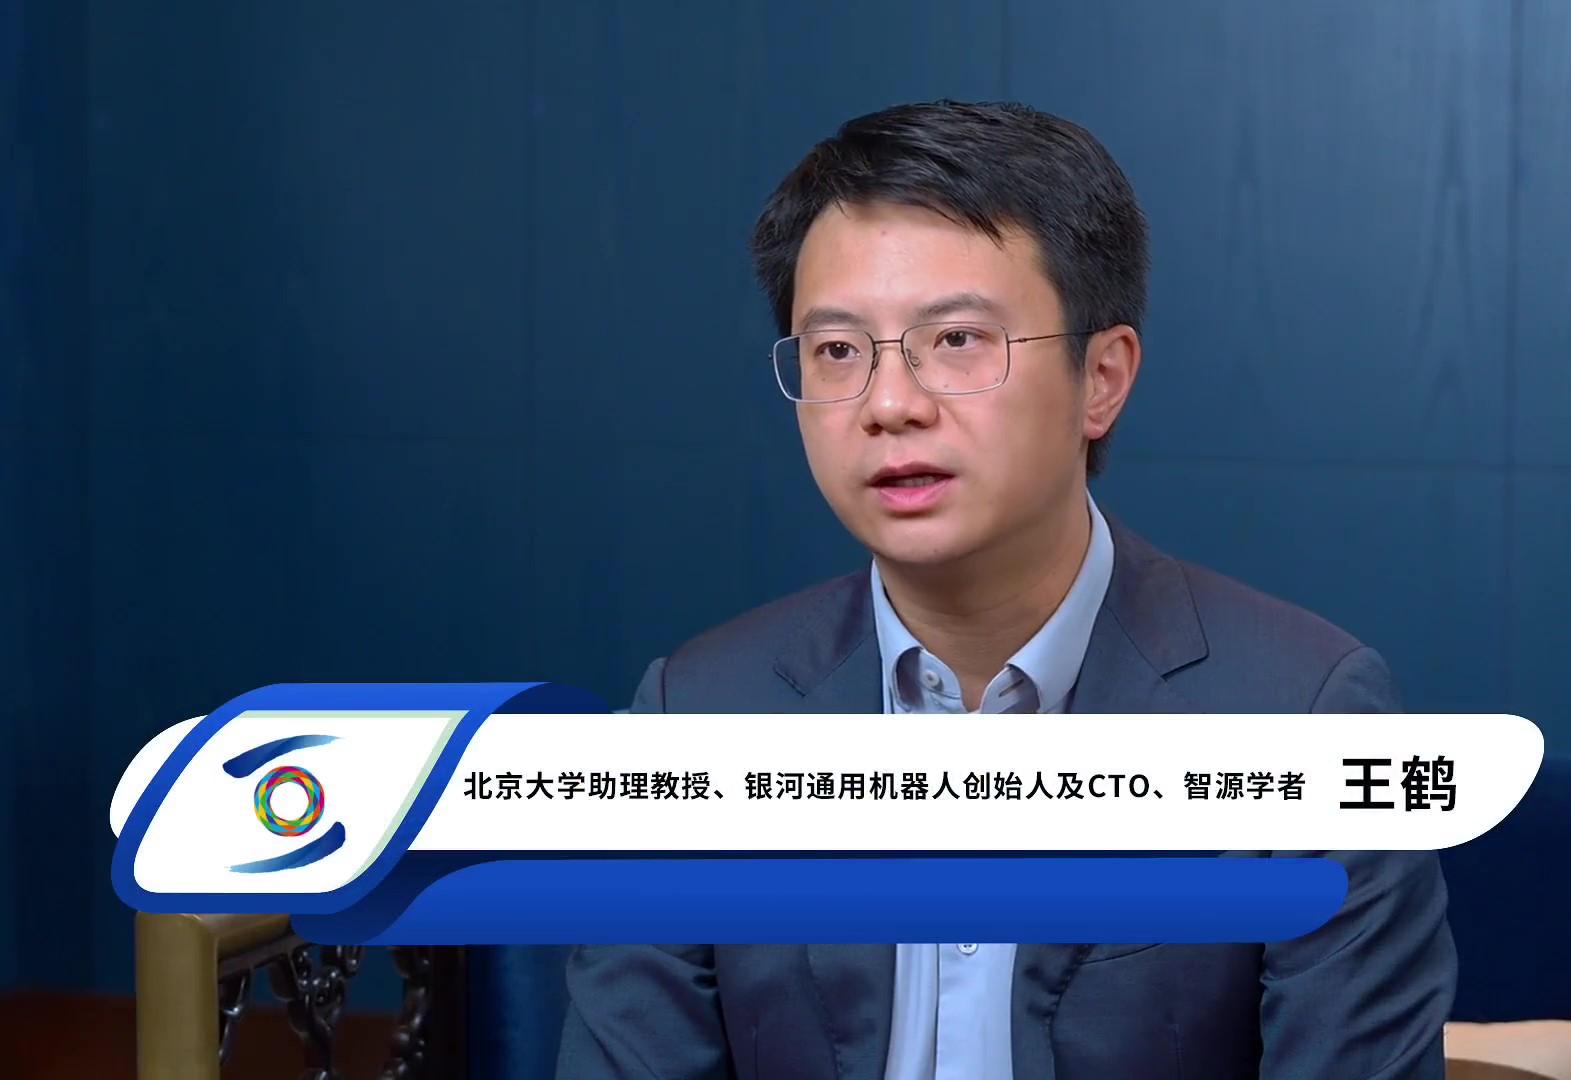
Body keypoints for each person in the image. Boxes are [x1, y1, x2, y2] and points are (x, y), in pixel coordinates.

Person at [557, 100, 1454, 1079]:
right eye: (838, 351)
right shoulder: (692, 723)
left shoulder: (1308, 722)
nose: (889, 405)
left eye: (957, 340)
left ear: (1101, 377)